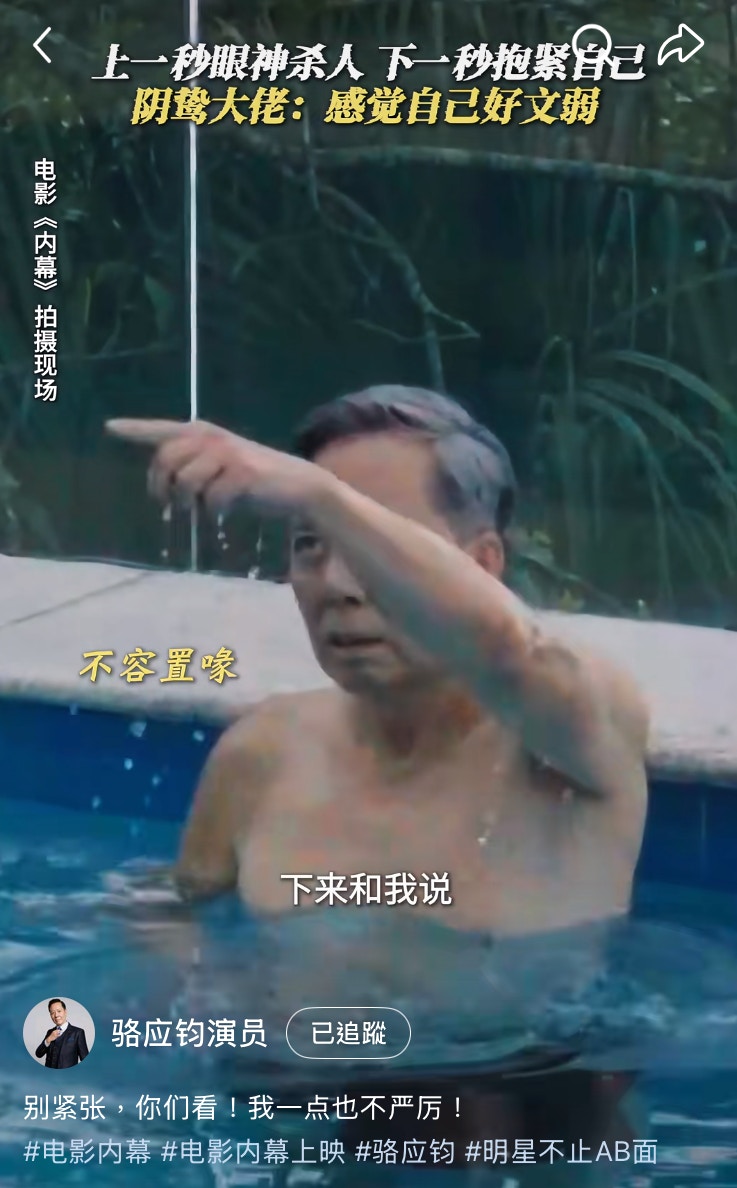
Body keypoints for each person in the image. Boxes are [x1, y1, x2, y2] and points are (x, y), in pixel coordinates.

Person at [106, 385, 650, 1178]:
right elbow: (170, 901)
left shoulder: (567, 745)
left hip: (530, 1121)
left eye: (373, 539)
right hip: (307, 1108)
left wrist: (318, 494)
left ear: (480, 567)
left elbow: (513, 652)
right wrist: (200, 1000)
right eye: (308, 543)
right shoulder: (264, 752)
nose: (338, 582)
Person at [35, 999, 89, 1068]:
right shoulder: (50, 1032)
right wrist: (48, 1040)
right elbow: (38, 1054)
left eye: (59, 1011)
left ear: (65, 1012)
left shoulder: (78, 1032)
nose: (56, 1015)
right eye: (52, 1013)